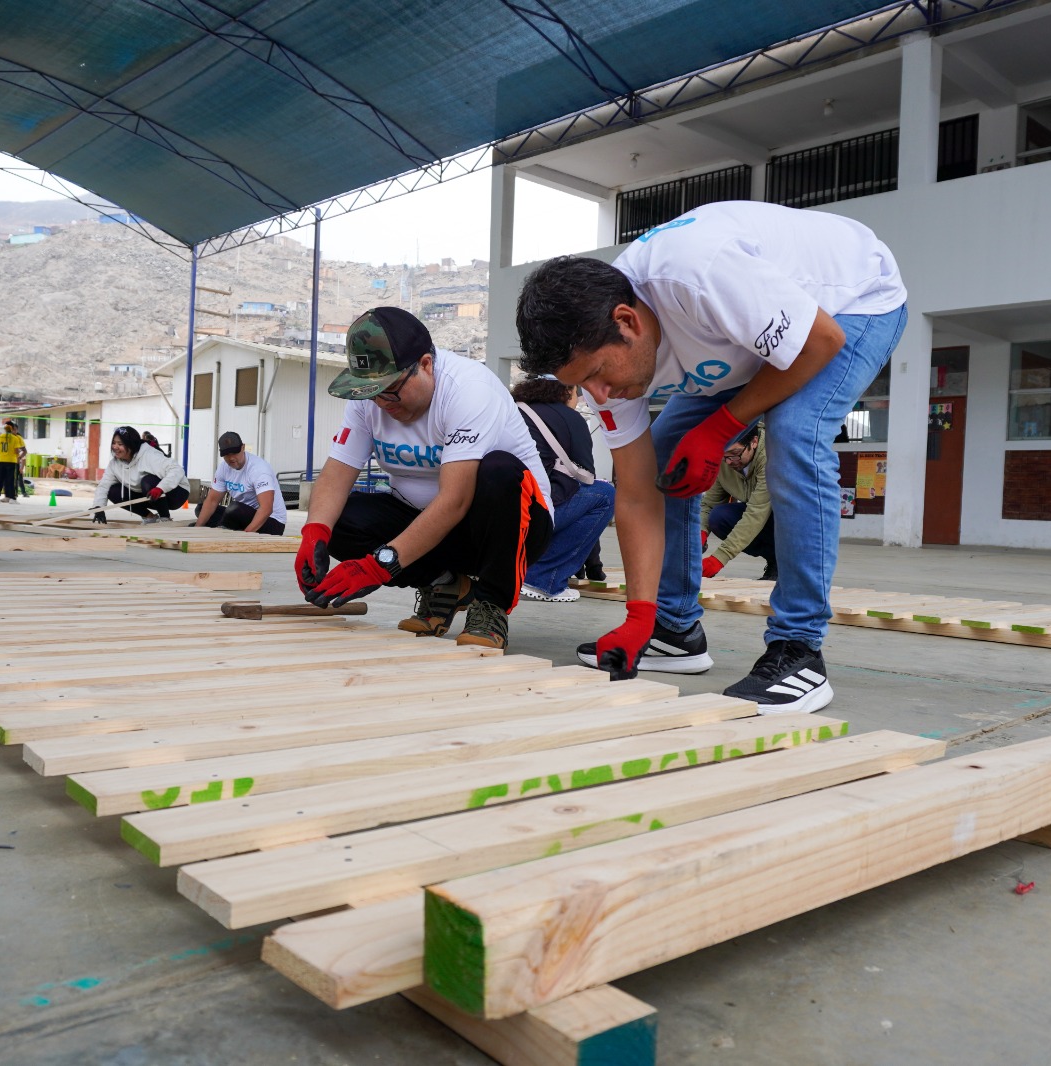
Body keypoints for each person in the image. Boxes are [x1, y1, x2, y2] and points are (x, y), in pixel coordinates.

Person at [515, 201, 906, 713]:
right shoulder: (607, 360)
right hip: (744, 338)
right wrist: (638, 614)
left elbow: (819, 342)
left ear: (627, 321)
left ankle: (799, 649)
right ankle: (672, 628)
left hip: (852, 304)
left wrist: (721, 427)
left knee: (795, 435)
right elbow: (634, 493)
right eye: (582, 385)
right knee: (665, 456)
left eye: (597, 374)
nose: (600, 394)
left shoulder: (699, 274)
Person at [297, 307, 553, 650]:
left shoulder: (469, 389)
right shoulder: (370, 400)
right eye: (372, 392)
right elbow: (338, 471)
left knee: (499, 471)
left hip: (506, 528)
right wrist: (314, 533)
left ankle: (490, 605)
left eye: (390, 390)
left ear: (426, 365)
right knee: (339, 518)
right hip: (429, 527)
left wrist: (379, 565)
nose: (382, 403)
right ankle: (445, 584)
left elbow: (455, 500)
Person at [511, 376, 615, 603]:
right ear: (567, 392)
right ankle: (543, 579)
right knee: (604, 494)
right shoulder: (571, 419)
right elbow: (587, 483)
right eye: (577, 393)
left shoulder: (509, 409)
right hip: (530, 514)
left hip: (489, 513)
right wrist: (592, 565)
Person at [700, 423, 777, 581]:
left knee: (784, 518)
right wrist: (699, 535)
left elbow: (756, 513)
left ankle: (787, 563)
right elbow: (709, 504)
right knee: (719, 517)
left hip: (791, 521)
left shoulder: (771, 456)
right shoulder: (725, 459)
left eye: (734, 454)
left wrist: (719, 558)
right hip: (760, 513)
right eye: (724, 456)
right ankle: (775, 559)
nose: (728, 462)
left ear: (754, 442)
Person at [91, 425, 188, 524]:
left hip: (176, 493)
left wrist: (161, 488)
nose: (115, 447)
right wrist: (98, 508)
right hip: (151, 496)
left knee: (147, 481)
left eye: (120, 444)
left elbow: (177, 470)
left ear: (131, 445)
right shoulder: (114, 464)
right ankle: (150, 518)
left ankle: (165, 519)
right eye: (114, 443)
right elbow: (104, 486)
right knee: (113, 491)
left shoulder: (149, 455)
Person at [196, 431, 287, 535]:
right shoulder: (223, 468)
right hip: (243, 515)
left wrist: (245, 535)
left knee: (234, 509)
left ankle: (229, 529)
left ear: (243, 448)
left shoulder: (259, 469)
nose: (231, 458)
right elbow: (212, 501)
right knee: (201, 509)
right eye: (226, 454)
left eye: (234, 453)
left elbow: (266, 508)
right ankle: (227, 527)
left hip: (272, 522)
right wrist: (197, 528)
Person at [0, 419, 26, 502]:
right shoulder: (13, 438)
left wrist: (20, 458)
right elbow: (15, 450)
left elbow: (24, 451)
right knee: (8, 480)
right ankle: (9, 497)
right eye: (13, 429)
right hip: (11, 461)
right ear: (11, 429)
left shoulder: (16, 438)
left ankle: (7, 496)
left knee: (6, 480)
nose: (14, 431)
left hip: (8, 461)